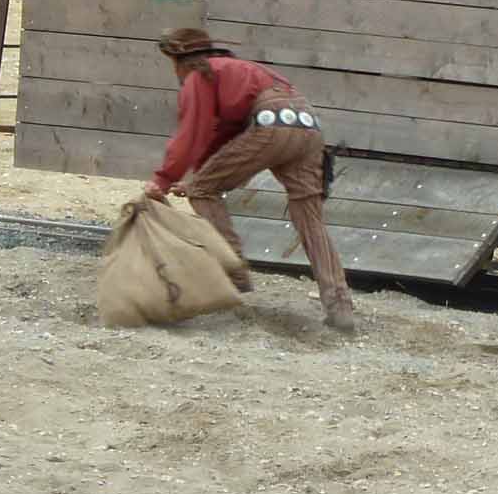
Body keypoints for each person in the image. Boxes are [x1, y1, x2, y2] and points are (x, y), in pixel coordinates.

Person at [145, 26, 357, 333]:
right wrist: (201, 177)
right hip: (309, 128)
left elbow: (193, 133)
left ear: (181, 60)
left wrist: (163, 181)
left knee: (204, 190)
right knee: (309, 217)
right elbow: (224, 143)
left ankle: (233, 273)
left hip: (271, 125)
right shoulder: (244, 71)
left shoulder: (199, 76)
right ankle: (340, 306)